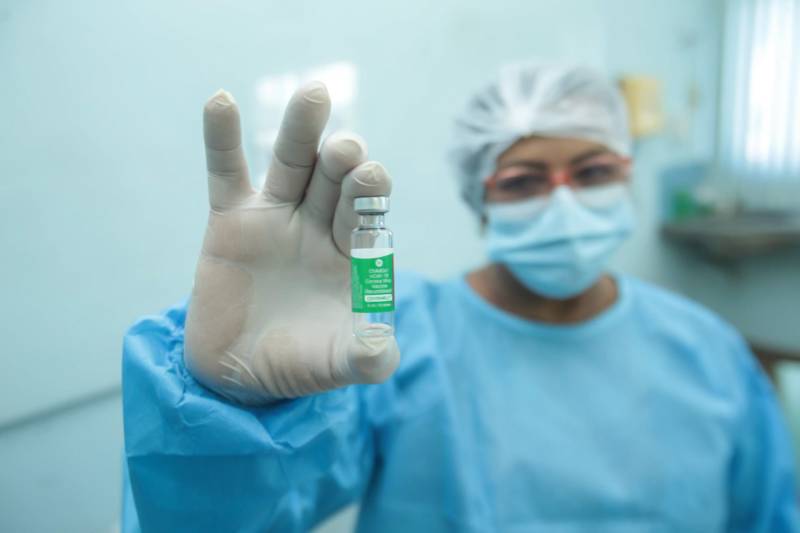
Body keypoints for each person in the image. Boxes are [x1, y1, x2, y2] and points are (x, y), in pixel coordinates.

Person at [121, 64, 799, 532]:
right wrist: (234, 404)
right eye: (523, 180)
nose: (563, 200)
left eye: (592, 171)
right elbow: (239, 515)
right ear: (481, 199)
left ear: (628, 175)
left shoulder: (708, 351)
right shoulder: (383, 342)